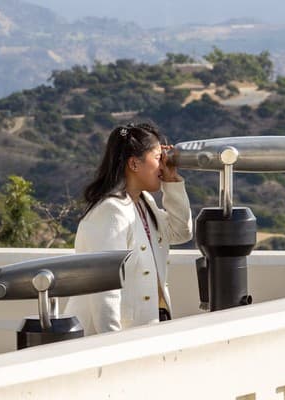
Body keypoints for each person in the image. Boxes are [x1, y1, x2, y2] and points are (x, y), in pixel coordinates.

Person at [65, 122, 193, 335]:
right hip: (111, 337)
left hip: (145, 329)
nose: (162, 165)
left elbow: (181, 232)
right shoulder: (110, 211)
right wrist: (113, 343)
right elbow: (105, 290)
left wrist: (172, 181)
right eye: (157, 158)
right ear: (134, 164)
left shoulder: (144, 202)